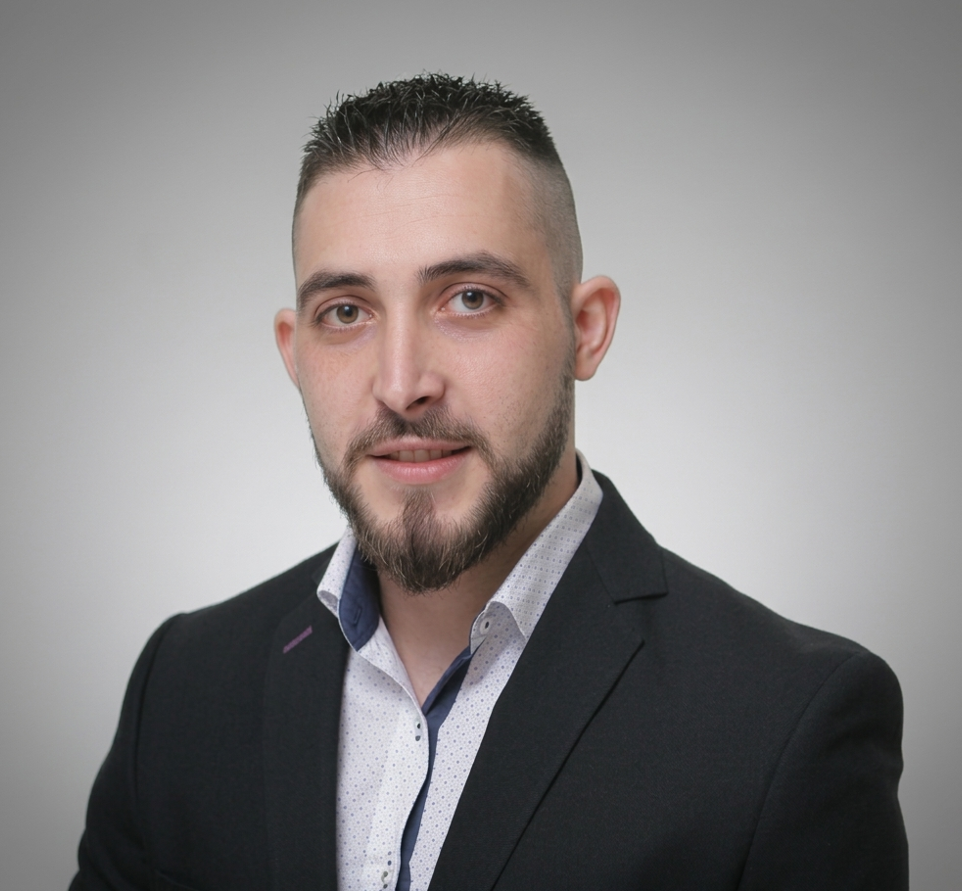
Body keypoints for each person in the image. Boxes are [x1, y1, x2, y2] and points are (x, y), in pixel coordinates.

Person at [71, 74, 907, 891]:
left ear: (586, 330)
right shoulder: (180, 686)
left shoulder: (787, 722)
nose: (402, 384)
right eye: (347, 312)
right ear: (294, 352)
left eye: (469, 298)